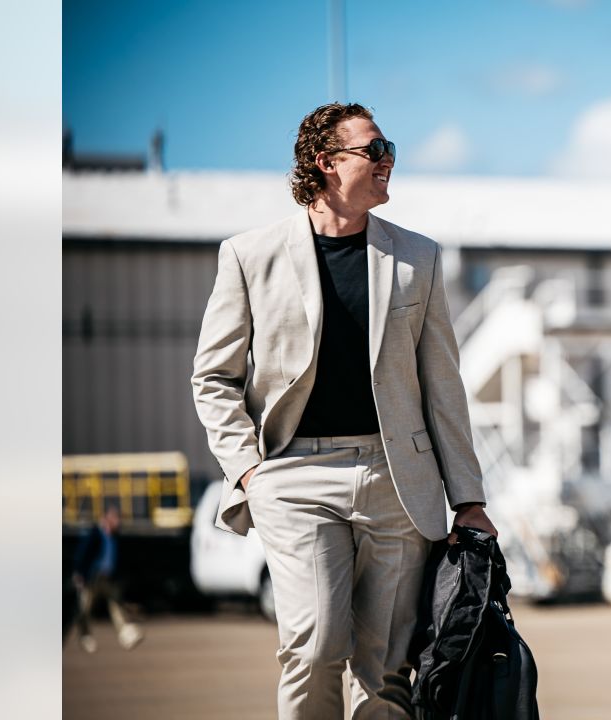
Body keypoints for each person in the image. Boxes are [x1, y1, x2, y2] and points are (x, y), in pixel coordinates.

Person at [191, 102, 496, 720]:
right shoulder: (250, 257)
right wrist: (250, 471)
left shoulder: (419, 259)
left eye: (390, 149)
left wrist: (468, 497)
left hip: (398, 481)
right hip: (294, 477)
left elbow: (444, 387)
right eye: (375, 149)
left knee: (385, 669)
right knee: (314, 646)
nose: (388, 161)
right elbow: (214, 378)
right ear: (327, 164)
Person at [67, 504, 144, 653]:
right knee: (85, 607)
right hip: (92, 577)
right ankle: (85, 636)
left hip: (107, 577)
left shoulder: (114, 537)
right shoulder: (95, 534)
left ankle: (126, 635)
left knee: (116, 605)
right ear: (108, 518)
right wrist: (79, 574)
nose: (118, 522)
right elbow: (83, 555)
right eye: (116, 519)